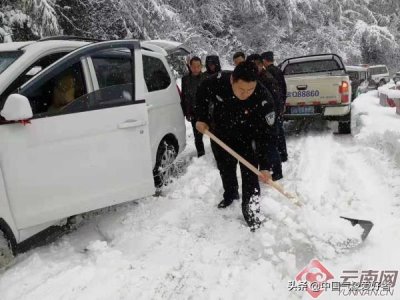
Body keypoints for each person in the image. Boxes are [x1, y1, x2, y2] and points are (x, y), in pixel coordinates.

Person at [195, 61, 277, 231]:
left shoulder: (263, 98)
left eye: (250, 90)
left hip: (248, 138)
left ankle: (251, 211)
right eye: (241, 90)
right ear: (232, 80)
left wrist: (266, 166)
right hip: (220, 134)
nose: (246, 94)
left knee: (250, 175)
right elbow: (202, 92)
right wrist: (201, 117)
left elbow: (267, 136)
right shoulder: (217, 81)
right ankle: (230, 195)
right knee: (225, 168)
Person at [246, 54, 283, 181]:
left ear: (262, 64)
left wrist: (275, 117)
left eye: (257, 64)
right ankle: (265, 169)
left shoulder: (268, 79)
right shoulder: (253, 78)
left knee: (271, 146)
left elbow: (276, 100)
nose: (255, 67)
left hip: (269, 118)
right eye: (252, 65)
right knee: (261, 146)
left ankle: (277, 172)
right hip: (257, 119)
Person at [261, 51, 288, 162]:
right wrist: (283, 103)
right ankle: (283, 154)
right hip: (279, 104)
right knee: (280, 130)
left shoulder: (267, 73)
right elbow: (284, 88)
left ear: (264, 61)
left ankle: (279, 155)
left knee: (275, 131)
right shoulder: (278, 70)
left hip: (273, 105)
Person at [181, 57, 207, 157]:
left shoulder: (206, 78)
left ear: (201, 66)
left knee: (213, 134)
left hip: (206, 111)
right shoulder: (185, 79)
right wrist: (186, 112)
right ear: (190, 66)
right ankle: (201, 155)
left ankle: (218, 155)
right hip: (193, 112)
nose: (196, 69)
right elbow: (184, 96)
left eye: (198, 66)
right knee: (197, 136)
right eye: (194, 66)